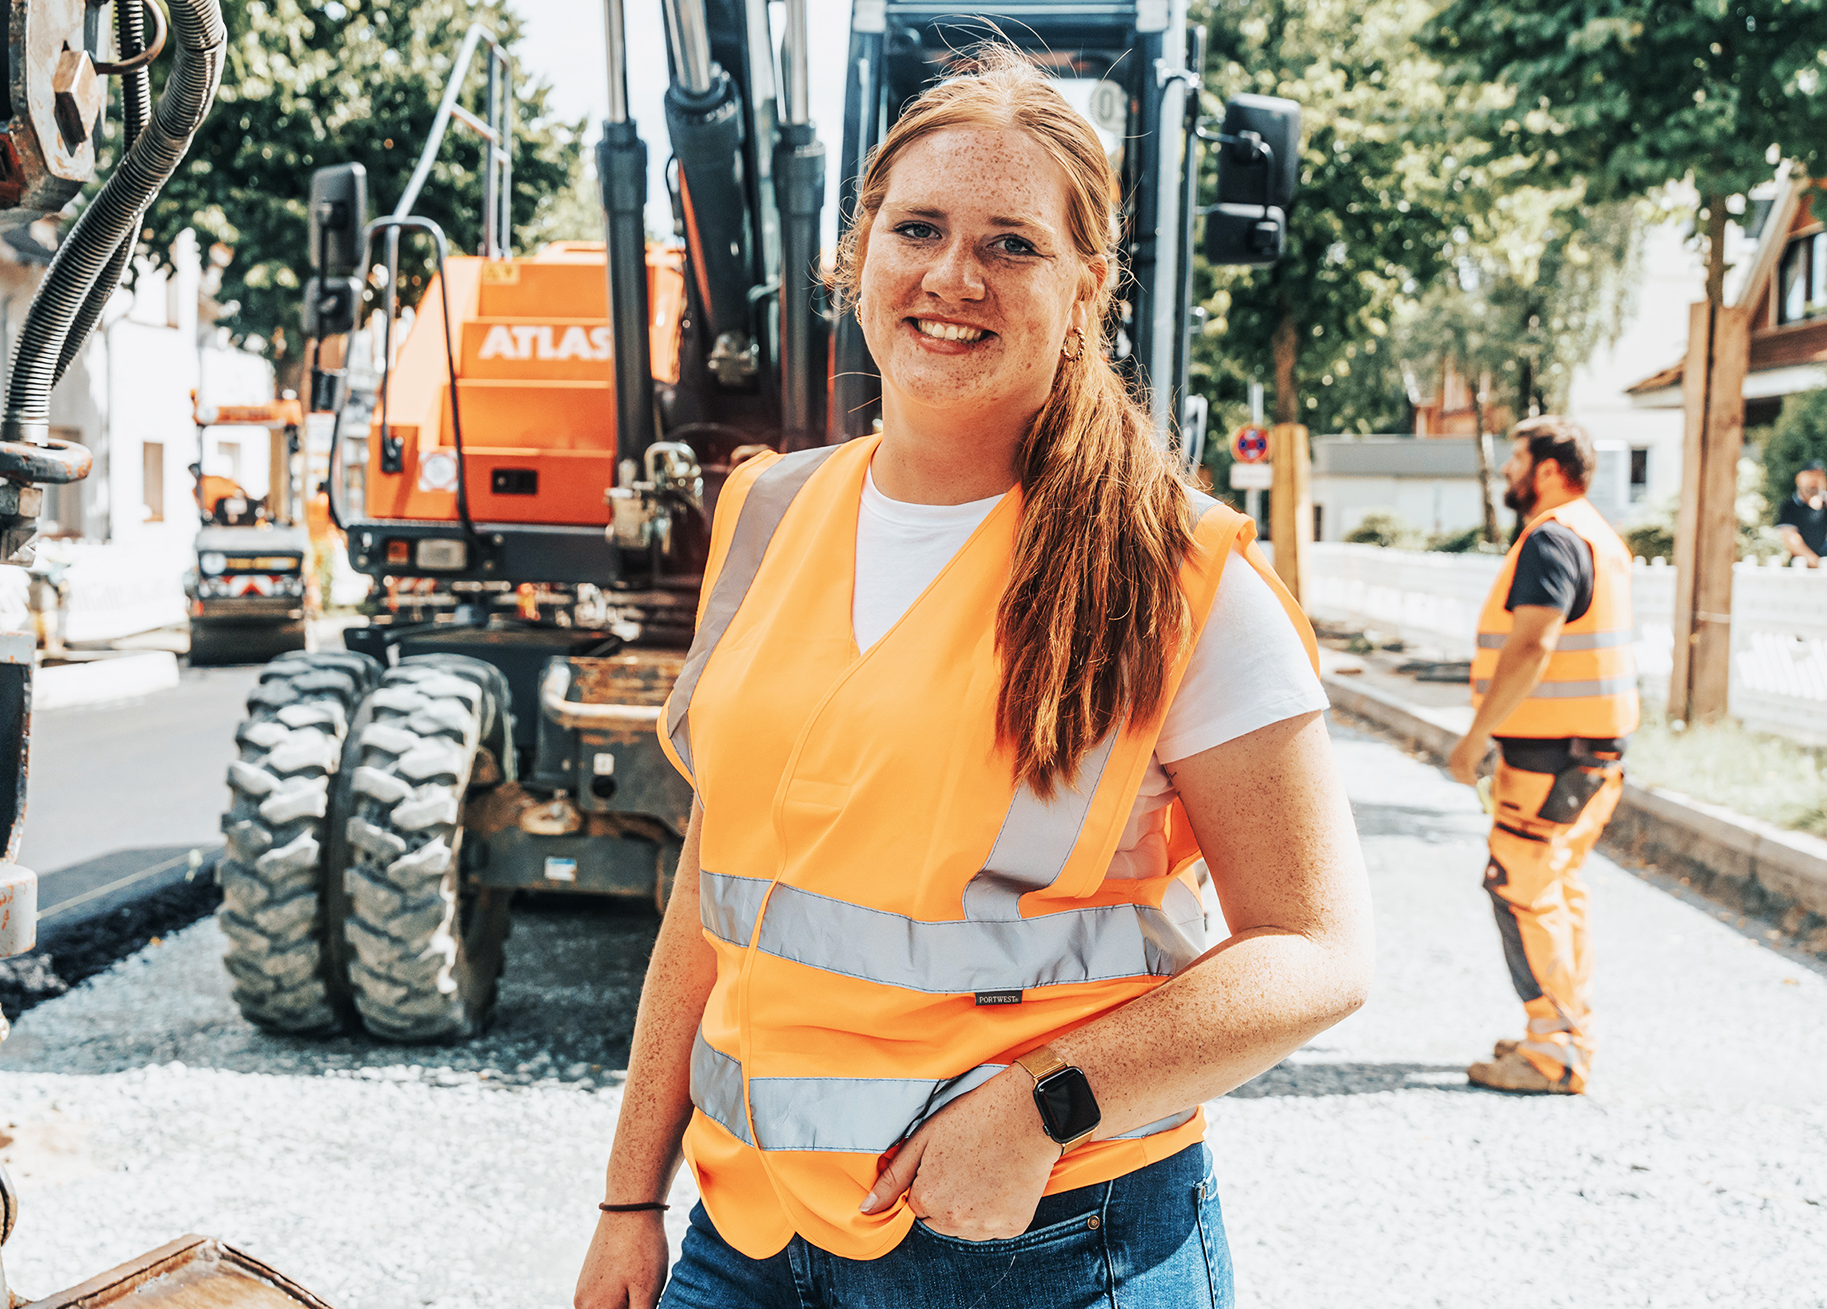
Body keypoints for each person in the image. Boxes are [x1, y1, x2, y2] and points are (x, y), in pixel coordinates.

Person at [573, 49, 1373, 1309]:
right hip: (750, 1233)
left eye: (1012, 244)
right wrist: (629, 1198)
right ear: (857, 254)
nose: (953, 277)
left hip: (1039, 1241)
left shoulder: (1175, 572)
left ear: (1087, 285)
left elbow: (1316, 949)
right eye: (920, 229)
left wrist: (1048, 1106)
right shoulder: (769, 511)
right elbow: (716, 889)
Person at [1446, 417, 1639, 1096]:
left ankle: (1552, 1050)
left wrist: (1473, 739)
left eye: (1517, 460)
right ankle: (1564, 1031)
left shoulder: (1551, 537)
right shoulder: (1596, 533)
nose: (1506, 472)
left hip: (1550, 756)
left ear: (1551, 469)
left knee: (1520, 889)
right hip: (1589, 753)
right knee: (1556, 889)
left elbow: (1532, 645)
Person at [1776, 462, 1827, 566]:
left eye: (1818, 476)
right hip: (1799, 568)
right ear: (1799, 478)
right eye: (1810, 476)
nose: (1814, 481)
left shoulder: (1824, 506)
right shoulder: (1790, 507)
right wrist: (1817, 563)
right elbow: (1789, 538)